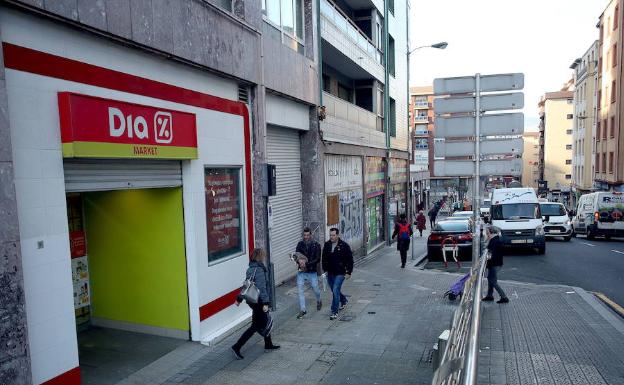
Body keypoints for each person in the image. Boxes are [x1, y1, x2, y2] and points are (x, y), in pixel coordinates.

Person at [232, 249, 280, 359]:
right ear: (259, 257)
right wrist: (266, 303)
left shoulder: (250, 269)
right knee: (258, 325)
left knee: (262, 322)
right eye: (263, 255)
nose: (264, 257)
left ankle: (268, 344)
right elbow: (262, 288)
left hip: (252, 301)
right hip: (259, 302)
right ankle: (236, 347)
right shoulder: (259, 270)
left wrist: (239, 299)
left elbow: (245, 286)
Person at [322, 228, 354, 320]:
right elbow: (324, 258)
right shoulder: (327, 245)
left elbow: (350, 260)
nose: (331, 237)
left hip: (340, 272)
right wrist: (325, 270)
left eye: (333, 235)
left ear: (338, 235)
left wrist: (349, 272)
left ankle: (334, 311)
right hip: (330, 272)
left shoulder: (344, 246)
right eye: (330, 235)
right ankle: (343, 300)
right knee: (334, 290)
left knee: (335, 289)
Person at [294, 227, 323, 319]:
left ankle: (319, 300)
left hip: (311, 270)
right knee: (300, 290)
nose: (306, 237)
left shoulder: (316, 245)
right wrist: (299, 262)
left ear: (311, 235)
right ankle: (303, 309)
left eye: (307, 235)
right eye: (304, 235)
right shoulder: (300, 244)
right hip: (301, 271)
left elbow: (317, 259)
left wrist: (306, 263)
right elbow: (296, 255)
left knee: (315, 288)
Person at [482, 227, 509, 304]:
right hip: (494, 263)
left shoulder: (495, 241)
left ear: (491, 233)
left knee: (493, 281)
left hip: (495, 264)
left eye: (487, 233)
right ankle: (489, 295)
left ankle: (504, 297)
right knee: (490, 279)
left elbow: (491, 253)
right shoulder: (494, 240)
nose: (487, 235)